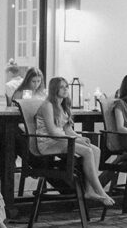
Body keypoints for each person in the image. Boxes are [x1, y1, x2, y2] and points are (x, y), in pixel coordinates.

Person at [35, 77, 114, 206]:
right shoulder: (47, 105)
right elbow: (52, 131)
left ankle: (89, 190)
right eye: (62, 87)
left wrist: (79, 137)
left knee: (95, 150)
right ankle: (101, 191)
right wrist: (73, 139)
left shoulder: (63, 106)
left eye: (66, 86)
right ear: (54, 89)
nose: (66, 89)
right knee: (87, 152)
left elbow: (68, 130)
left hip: (62, 140)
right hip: (48, 143)